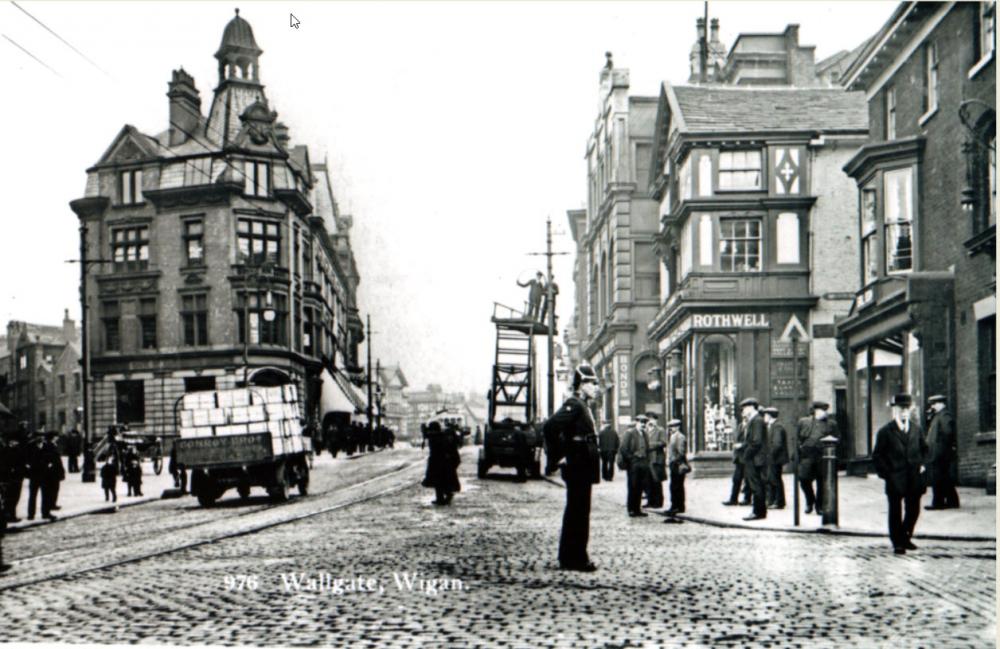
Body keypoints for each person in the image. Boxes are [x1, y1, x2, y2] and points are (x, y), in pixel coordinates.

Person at [542, 364, 601, 572]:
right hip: (577, 464)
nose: (596, 387)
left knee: (579, 511)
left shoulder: (583, 406)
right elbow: (550, 427)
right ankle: (574, 558)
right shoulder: (574, 404)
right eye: (592, 383)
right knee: (577, 511)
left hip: (583, 464)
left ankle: (573, 556)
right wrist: (560, 456)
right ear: (581, 384)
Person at [872, 393, 928, 555]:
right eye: (901, 409)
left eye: (906, 409)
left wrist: (922, 464)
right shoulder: (885, 431)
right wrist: (887, 474)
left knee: (914, 510)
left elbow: (925, 449)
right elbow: (877, 456)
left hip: (914, 477)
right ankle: (897, 542)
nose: (904, 412)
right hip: (895, 478)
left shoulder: (916, 429)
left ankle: (906, 536)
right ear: (894, 410)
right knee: (895, 511)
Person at [797, 401, 837, 515]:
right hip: (807, 456)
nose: (824, 413)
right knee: (803, 480)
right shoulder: (803, 422)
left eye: (825, 411)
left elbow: (837, 438)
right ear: (815, 411)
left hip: (822, 456)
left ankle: (819, 506)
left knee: (821, 481)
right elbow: (798, 438)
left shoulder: (831, 424)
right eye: (822, 410)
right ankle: (810, 501)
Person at [924, 395, 960, 510]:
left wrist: (940, 447)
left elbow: (948, 432)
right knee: (944, 477)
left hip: (940, 453)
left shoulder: (944, 415)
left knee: (937, 478)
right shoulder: (938, 415)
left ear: (941, 403)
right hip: (939, 452)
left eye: (934, 404)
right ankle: (953, 501)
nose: (932, 406)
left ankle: (938, 503)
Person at [739, 398, 768, 521]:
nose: (743, 411)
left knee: (756, 485)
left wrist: (746, 454)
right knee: (757, 485)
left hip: (755, 459)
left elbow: (756, 442)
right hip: (756, 458)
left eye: (744, 408)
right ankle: (759, 511)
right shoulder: (755, 420)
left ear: (751, 407)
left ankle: (758, 512)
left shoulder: (756, 421)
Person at [618, 415, 652, 518]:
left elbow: (647, 448)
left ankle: (638, 509)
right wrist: (631, 458)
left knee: (641, 486)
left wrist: (647, 460)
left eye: (644, 422)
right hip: (634, 463)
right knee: (633, 486)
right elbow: (623, 448)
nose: (643, 424)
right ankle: (631, 509)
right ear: (636, 422)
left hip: (643, 462)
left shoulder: (645, 434)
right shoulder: (630, 433)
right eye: (641, 422)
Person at [421, 421, 461, 505]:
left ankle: (443, 497)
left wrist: (424, 429)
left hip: (438, 462)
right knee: (441, 481)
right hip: (442, 462)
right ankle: (443, 496)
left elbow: (428, 435)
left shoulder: (436, 436)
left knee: (438, 482)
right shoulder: (441, 435)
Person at [26, 434, 60, 521]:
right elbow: (25, 457)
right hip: (34, 474)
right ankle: (31, 514)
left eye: (42, 437)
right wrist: (28, 466)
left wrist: (50, 463)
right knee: (32, 495)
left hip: (45, 474)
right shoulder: (30, 446)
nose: (40, 438)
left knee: (46, 495)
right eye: (38, 437)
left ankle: (45, 513)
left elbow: (52, 456)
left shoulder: (46, 446)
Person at [762, 407, 788, 509]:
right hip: (773, 458)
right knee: (772, 479)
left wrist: (769, 455)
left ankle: (779, 502)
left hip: (776, 458)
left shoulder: (777, 427)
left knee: (775, 479)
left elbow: (777, 444)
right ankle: (773, 500)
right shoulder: (771, 426)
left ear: (769, 416)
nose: (764, 417)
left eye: (765, 415)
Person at [722, 417, 751, 507]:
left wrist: (741, 445)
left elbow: (750, 441)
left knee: (748, 480)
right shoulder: (739, 426)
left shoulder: (750, 427)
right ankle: (733, 499)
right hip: (739, 458)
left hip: (746, 457)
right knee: (736, 479)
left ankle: (747, 499)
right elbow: (736, 439)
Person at [665, 419, 688, 516]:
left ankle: (677, 506)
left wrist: (675, 461)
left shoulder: (680, 437)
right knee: (674, 486)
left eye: (673, 426)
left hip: (677, 464)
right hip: (673, 463)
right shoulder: (673, 436)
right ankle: (676, 506)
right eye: (670, 427)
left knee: (677, 486)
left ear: (678, 427)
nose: (671, 429)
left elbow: (681, 452)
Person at [645, 413, 667, 509]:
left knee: (656, 481)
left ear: (656, 420)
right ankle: (650, 501)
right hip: (647, 459)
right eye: (648, 419)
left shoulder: (660, 430)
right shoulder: (645, 431)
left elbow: (663, 442)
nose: (650, 421)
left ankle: (658, 502)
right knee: (648, 482)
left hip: (657, 459)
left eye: (652, 419)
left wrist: (650, 445)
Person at [43, 432, 65, 511]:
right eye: (56, 436)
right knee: (52, 488)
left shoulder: (53, 444)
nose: (57, 438)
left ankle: (53, 504)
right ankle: (51, 504)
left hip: (56, 469)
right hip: (52, 471)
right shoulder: (49, 445)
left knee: (55, 488)